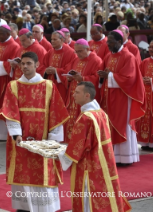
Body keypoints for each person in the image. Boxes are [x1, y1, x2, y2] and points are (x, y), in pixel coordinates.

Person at [0, 51, 69, 212]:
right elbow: (10, 112)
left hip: (43, 138)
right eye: (22, 63)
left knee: (44, 170)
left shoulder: (49, 86)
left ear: (37, 65)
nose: (24, 66)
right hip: (21, 139)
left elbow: (56, 113)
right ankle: (23, 208)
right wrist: (16, 134)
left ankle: (45, 208)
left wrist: (53, 138)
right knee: (23, 171)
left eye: (28, 63)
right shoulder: (13, 86)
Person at [58, 81, 132, 212]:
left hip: (88, 165)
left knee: (88, 200)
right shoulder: (100, 112)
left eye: (77, 92)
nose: (73, 94)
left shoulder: (85, 118)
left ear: (87, 95)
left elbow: (77, 148)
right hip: (102, 162)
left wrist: (59, 155)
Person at [98, 30, 145, 165]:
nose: (108, 44)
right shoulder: (108, 56)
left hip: (123, 96)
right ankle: (112, 156)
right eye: (107, 41)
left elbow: (129, 78)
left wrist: (110, 76)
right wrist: (102, 76)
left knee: (122, 124)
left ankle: (126, 157)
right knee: (110, 125)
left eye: (111, 41)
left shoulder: (128, 56)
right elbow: (105, 74)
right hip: (110, 97)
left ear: (119, 41)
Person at [64, 39, 101, 143]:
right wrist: (69, 78)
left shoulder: (96, 60)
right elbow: (70, 71)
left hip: (85, 97)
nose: (78, 54)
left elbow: (97, 78)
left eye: (80, 51)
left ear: (88, 49)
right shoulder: (76, 60)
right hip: (74, 95)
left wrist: (83, 79)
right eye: (76, 51)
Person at [43, 31, 77, 103]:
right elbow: (42, 65)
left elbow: (70, 69)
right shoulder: (50, 52)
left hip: (61, 86)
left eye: (54, 39)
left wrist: (56, 71)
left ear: (62, 40)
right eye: (51, 39)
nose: (52, 41)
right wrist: (45, 71)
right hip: (50, 83)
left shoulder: (70, 52)